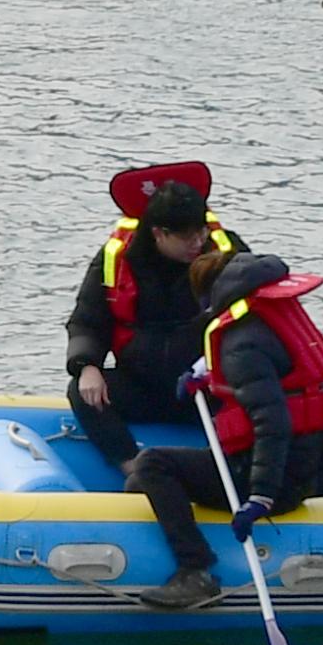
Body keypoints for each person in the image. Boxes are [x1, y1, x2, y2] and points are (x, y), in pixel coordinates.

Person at [123, 237, 323, 611]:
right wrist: (203, 371)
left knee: (151, 463)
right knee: (137, 483)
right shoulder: (268, 319)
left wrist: (260, 496)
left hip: (273, 482)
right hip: (303, 465)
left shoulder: (240, 343)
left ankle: (196, 570)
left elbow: (272, 420)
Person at [62, 163, 240, 469]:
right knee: (82, 391)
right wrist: (86, 364)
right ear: (159, 233)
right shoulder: (117, 259)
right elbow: (87, 318)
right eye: (186, 238)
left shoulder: (223, 253)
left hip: (209, 384)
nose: (197, 244)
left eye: (200, 233)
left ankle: (240, 461)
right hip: (145, 383)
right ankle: (131, 465)